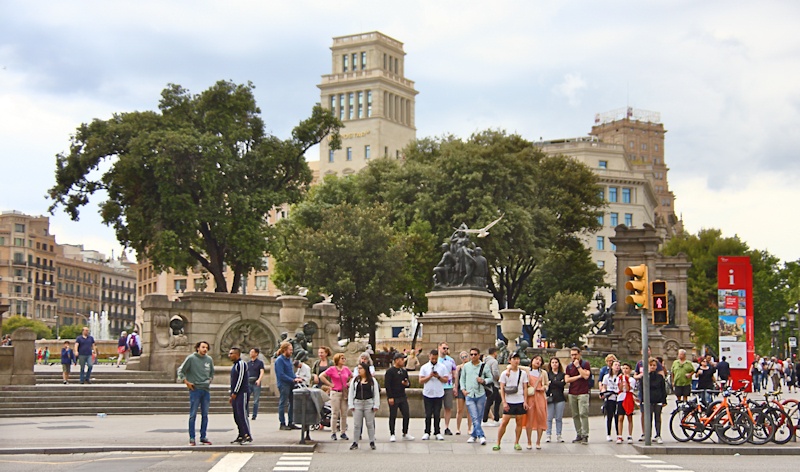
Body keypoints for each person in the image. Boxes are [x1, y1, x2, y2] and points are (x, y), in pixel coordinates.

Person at [177, 340, 215, 446]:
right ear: (198, 348)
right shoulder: (191, 358)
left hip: (206, 390)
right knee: (193, 414)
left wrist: (209, 380)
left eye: (206, 347)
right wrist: (186, 382)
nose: (205, 349)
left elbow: (212, 372)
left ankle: (203, 436)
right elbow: (180, 370)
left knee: (205, 415)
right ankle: (192, 438)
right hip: (195, 389)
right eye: (203, 347)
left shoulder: (209, 359)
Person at [492, 352, 528, 451]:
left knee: (519, 422)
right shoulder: (504, 373)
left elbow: (525, 388)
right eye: (514, 359)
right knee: (504, 422)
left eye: (518, 359)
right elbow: (502, 388)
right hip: (509, 400)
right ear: (509, 360)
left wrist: (525, 401)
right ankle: (498, 442)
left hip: (520, 400)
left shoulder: (523, 373)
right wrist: (504, 402)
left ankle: (517, 442)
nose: (516, 361)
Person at [459, 346, 493, 445]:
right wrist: (463, 390)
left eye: (475, 354)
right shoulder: (466, 366)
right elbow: (462, 379)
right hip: (469, 394)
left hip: (480, 394)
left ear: (478, 355)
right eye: (471, 354)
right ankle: (481, 435)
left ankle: (474, 435)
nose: (473, 356)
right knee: (474, 416)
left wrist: (483, 380)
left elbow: (490, 378)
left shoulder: (484, 366)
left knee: (478, 416)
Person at [347, 362, 381, 450]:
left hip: (368, 403)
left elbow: (376, 393)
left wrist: (376, 404)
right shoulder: (355, 380)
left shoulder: (372, 380)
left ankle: (372, 441)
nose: (359, 370)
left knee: (370, 424)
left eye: (360, 368)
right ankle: (355, 441)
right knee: (357, 424)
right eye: (358, 369)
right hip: (357, 403)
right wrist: (351, 404)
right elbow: (351, 393)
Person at [419, 348, 450, 440]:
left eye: (435, 359)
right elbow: (421, 380)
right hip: (428, 393)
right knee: (428, 414)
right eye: (432, 358)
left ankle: (437, 431)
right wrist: (430, 376)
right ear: (429, 357)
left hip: (438, 393)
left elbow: (446, 380)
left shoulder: (442, 367)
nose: (434, 360)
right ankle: (427, 431)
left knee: (437, 414)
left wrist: (438, 376)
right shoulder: (424, 367)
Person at [320, 352, 352, 440]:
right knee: (335, 413)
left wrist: (349, 383)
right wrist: (330, 384)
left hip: (344, 392)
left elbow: (352, 376)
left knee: (344, 413)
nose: (344, 360)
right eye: (342, 358)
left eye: (344, 358)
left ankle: (343, 431)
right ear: (337, 360)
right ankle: (333, 432)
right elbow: (321, 376)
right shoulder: (332, 369)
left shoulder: (346, 369)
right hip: (335, 392)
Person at [564, 347, 591, 444]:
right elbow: (567, 380)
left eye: (575, 354)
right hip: (572, 392)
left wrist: (579, 367)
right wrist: (579, 376)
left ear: (579, 354)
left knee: (583, 413)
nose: (574, 357)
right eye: (572, 355)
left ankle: (585, 434)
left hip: (583, 392)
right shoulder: (569, 367)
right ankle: (578, 433)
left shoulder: (585, 364)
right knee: (575, 414)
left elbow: (586, 376)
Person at [385, 352, 414, 441]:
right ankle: (392, 433)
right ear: (396, 360)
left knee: (406, 414)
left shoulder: (404, 371)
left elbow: (408, 383)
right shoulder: (390, 372)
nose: (403, 361)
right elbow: (387, 385)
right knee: (393, 415)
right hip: (394, 396)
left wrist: (406, 383)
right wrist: (390, 397)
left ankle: (405, 432)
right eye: (401, 359)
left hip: (402, 396)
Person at [228, 347, 252, 444]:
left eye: (231, 353)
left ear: (237, 354)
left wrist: (235, 392)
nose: (229, 355)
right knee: (236, 415)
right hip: (235, 394)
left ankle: (247, 435)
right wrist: (232, 394)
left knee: (242, 414)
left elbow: (240, 379)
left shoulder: (241, 364)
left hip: (242, 393)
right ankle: (241, 434)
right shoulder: (235, 365)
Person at [524, 354, 548, 449]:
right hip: (530, 397)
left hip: (540, 396)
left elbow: (546, 384)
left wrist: (544, 388)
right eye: (536, 359)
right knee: (529, 419)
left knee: (541, 418)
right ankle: (529, 441)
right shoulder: (526, 371)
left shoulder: (543, 373)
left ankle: (538, 441)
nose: (538, 361)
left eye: (540, 360)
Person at [274, 341, 299, 430]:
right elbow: (281, 374)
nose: (291, 351)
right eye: (290, 350)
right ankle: (282, 423)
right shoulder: (279, 360)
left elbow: (290, 372)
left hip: (291, 384)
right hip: (284, 384)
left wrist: (296, 378)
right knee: (283, 403)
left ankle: (291, 422)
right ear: (285, 350)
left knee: (292, 403)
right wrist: (292, 379)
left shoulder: (289, 359)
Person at [437, 342, 458, 435]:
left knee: (448, 407)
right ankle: (436, 426)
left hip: (448, 386)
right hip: (438, 386)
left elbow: (455, 374)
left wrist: (455, 386)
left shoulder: (451, 360)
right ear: (439, 348)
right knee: (437, 408)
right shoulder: (435, 360)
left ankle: (447, 426)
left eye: (447, 348)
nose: (445, 350)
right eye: (444, 348)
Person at [545, 357, 566, 443]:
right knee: (549, 417)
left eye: (556, 362)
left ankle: (559, 434)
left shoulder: (562, 374)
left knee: (559, 418)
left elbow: (562, 384)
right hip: (550, 397)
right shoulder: (547, 374)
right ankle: (548, 434)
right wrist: (556, 382)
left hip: (560, 398)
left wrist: (553, 382)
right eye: (553, 362)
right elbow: (547, 384)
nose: (554, 364)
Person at [600, 359, 621, 442]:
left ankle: (618, 433)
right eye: (615, 365)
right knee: (609, 416)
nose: (617, 367)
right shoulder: (606, 377)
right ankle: (608, 434)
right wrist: (603, 393)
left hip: (618, 398)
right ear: (611, 367)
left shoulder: (620, 377)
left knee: (618, 417)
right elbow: (604, 386)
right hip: (609, 398)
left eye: (618, 365)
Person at [648, 358, 667, 444]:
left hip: (658, 399)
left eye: (654, 365)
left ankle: (658, 435)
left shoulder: (660, 377)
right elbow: (642, 388)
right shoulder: (645, 377)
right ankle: (648, 435)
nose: (652, 367)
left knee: (657, 417)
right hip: (649, 400)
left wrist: (664, 400)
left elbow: (663, 389)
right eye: (651, 365)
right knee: (649, 418)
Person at [616, 362, 636, 444]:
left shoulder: (632, 380)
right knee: (620, 417)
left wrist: (626, 380)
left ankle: (630, 435)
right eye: (623, 368)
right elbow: (620, 388)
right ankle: (619, 435)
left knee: (629, 417)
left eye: (627, 368)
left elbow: (628, 389)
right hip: (621, 398)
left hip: (628, 398)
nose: (625, 370)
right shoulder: (619, 378)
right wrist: (621, 381)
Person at [482, 346, 501, 426]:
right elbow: (495, 372)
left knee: (496, 400)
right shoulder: (494, 361)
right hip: (493, 384)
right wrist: (499, 379)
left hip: (487, 383)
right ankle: (486, 419)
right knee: (490, 402)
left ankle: (495, 419)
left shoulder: (485, 361)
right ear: (495, 353)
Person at [454, 351, 471, 435]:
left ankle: (469, 428)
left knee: (469, 410)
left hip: (469, 390)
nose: (464, 358)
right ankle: (458, 428)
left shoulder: (471, 366)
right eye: (463, 357)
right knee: (459, 409)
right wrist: (455, 388)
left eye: (466, 356)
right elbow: (456, 379)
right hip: (461, 389)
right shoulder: (459, 368)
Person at [247, 348, 265, 420]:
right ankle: (247, 413)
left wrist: (259, 380)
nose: (250, 353)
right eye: (250, 352)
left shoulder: (260, 363)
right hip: (248, 382)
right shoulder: (248, 363)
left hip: (256, 382)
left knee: (256, 400)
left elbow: (262, 372)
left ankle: (254, 415)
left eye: (252, 352)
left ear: (256, 353)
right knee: (246, 399)